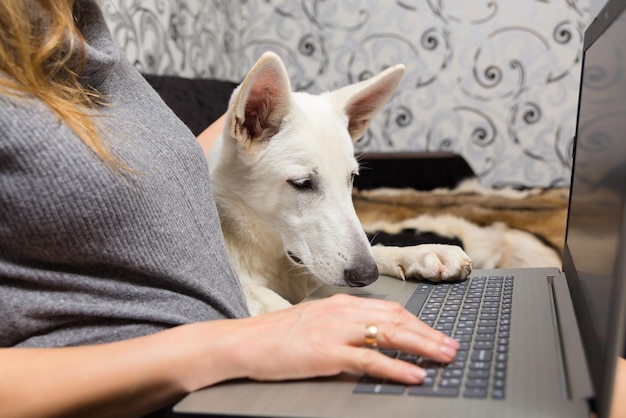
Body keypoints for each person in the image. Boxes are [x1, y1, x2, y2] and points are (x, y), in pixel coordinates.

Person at [0, 1, 460, 417]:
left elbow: (173, 176)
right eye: (303, 182)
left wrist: (386, 256)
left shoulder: (88, 35)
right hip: (164, 390)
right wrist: (244, 342)